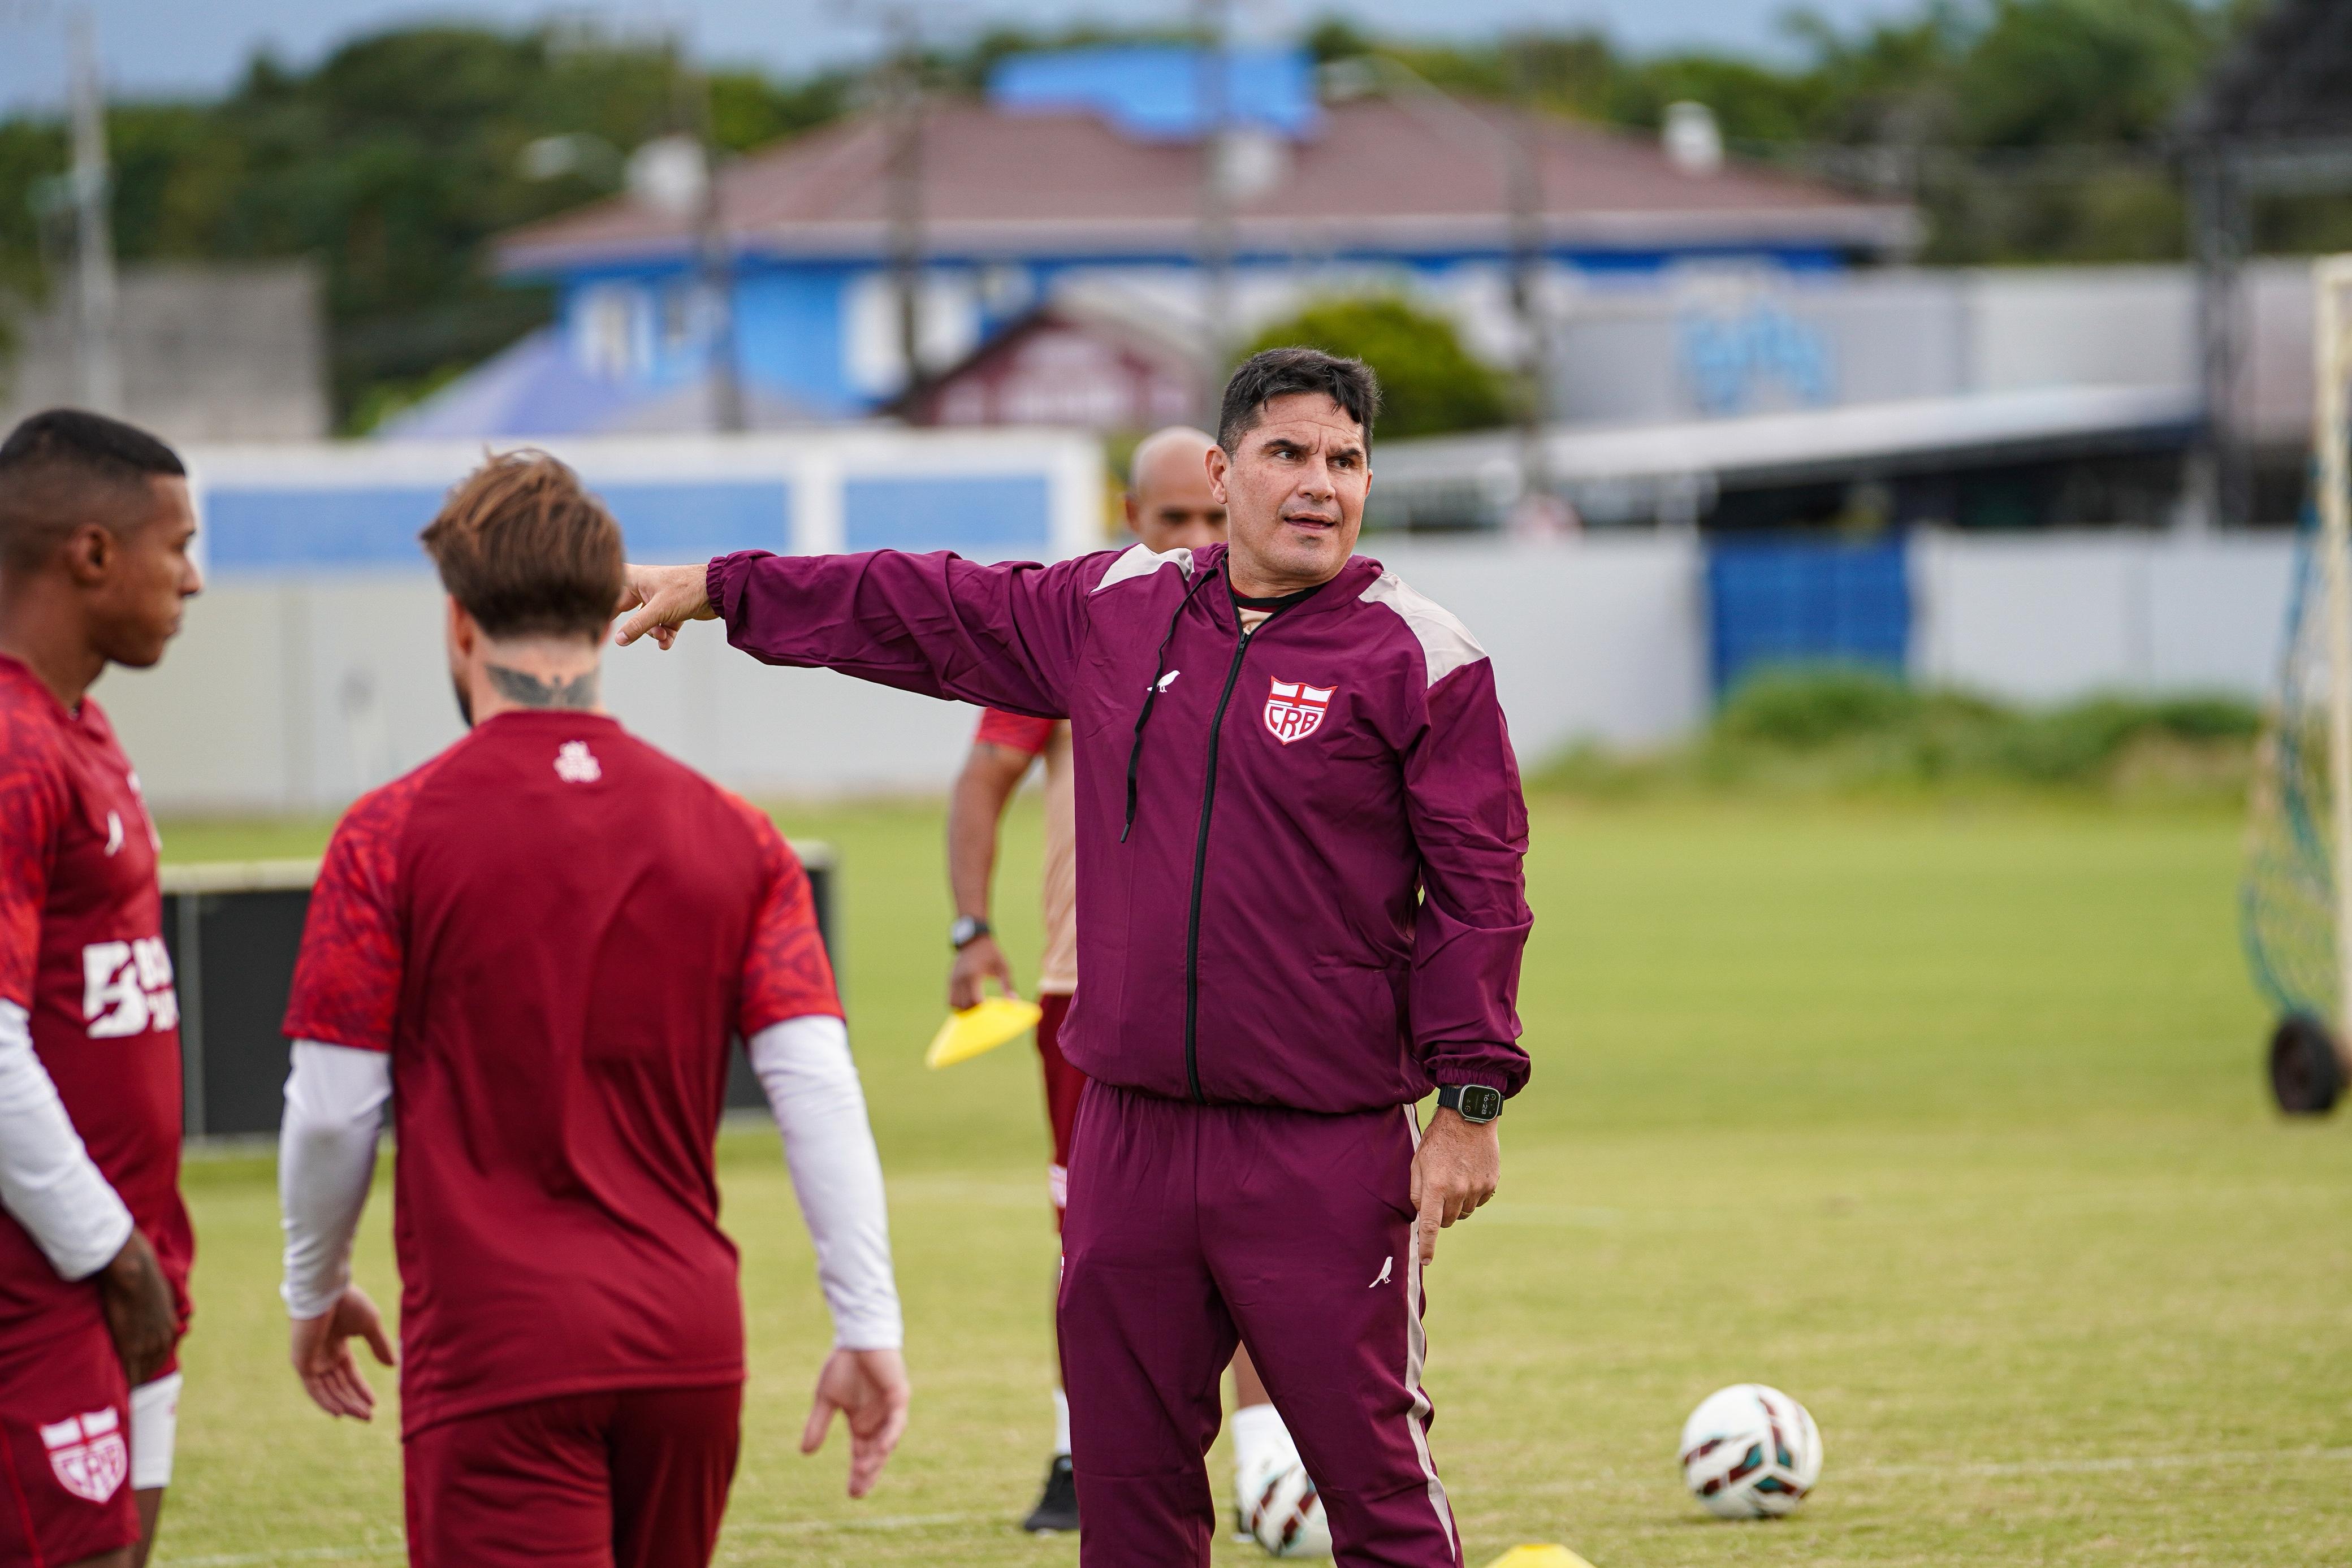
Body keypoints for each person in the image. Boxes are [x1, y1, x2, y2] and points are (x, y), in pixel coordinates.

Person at [616, 347, 1533, 1568]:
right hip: (1130, 1139)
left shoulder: (1421, 655)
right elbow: (921, 605)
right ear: (1225, 468)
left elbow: (1483, 891)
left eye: (1345, 460)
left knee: (1375, 1487)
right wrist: (722, 590)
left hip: (1320, 1145)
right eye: (1288, 453)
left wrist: (1468, 1105)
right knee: (1129, 1498)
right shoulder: (1120, 609)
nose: (1319, 484)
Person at [274, 452, 910, 1568]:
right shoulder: (736, 833)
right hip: (689, 1348)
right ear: (610, 606)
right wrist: (867, 1324)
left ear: (459, 624)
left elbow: (333, 1112)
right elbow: (817, 1089)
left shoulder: (387, 834)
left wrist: (313, 1285)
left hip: (497, 1350)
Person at [951, 427, 1313, 1538]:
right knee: (1098, 1240)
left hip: (1247, 995)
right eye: (1176, 522)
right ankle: (1078, 1453)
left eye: (1213, 517)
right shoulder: (1090, 627)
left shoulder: (1292, 627)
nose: (1200, 540)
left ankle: (1264, 1472)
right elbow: (983, 780)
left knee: (1254, 1236)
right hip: (1087, 992)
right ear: (1130, 516)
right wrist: (972, 929)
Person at [0, 409, 202, 1568]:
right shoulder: (11, 747)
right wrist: (108, 1252)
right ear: (90, 554)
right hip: (51, 1275)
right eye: (175, 545)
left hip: (127, 1267)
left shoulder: (83, 729)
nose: (194, 578)